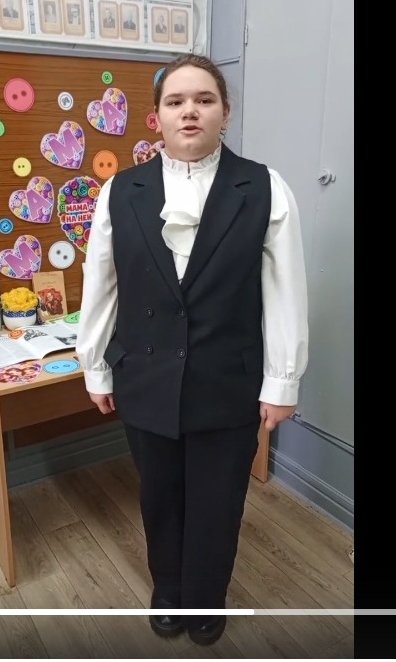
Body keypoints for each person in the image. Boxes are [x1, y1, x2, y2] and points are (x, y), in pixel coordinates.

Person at [75, 54, 308, 646]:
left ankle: (206, 597)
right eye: (175, 101)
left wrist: (283, 382)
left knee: (218, 500)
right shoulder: (120, 191)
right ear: (156, 117)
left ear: (225, 112)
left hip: (228, 380)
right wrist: (94, 365)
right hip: (145, 375)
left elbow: (285, 291)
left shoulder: (264, 187)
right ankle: (168, 590)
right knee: (160, 496)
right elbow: (100, 283)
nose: (190, 111)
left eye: (204, 99)